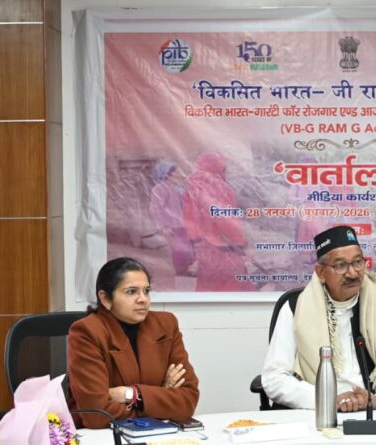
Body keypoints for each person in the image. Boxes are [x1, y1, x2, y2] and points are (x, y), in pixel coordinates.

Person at [261, 226, 376, 411]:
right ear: (321, 272)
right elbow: (274, 378)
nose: (352, 273)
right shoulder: (296, 308)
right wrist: (327, 399)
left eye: (357, 262)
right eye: (340, 266)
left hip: (375, 410)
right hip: (318, 410)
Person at [68, 257, 200, 428]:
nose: (143, 299)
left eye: (146, 291)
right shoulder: (87, 331)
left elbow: (188, 402)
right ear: (105, 298)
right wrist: (161, 397)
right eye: (131, 292)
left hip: (158, 434)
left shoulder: (166, 324)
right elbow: (97, 415)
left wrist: (131, 395)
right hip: (104, 436)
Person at [182, 152, 254, 291]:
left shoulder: (192, 186)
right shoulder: (219, 186)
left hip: (204, 244)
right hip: (224, 245)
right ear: (217, 166)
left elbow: (188, 216)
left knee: (208, 280)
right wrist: (241, 243)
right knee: (231, 281)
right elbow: (226, 218)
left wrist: (196, 239)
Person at [149, 160, 195, 276]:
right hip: (173, 225)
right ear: (166, 174)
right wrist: (163, 226)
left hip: (184, 224)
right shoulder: (159, 189)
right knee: (179, 250)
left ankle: (185, 269)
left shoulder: (178, 188)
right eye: (174, 171)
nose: (178, 172)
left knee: (188, 249)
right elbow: (156, 209)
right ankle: (181, 272)